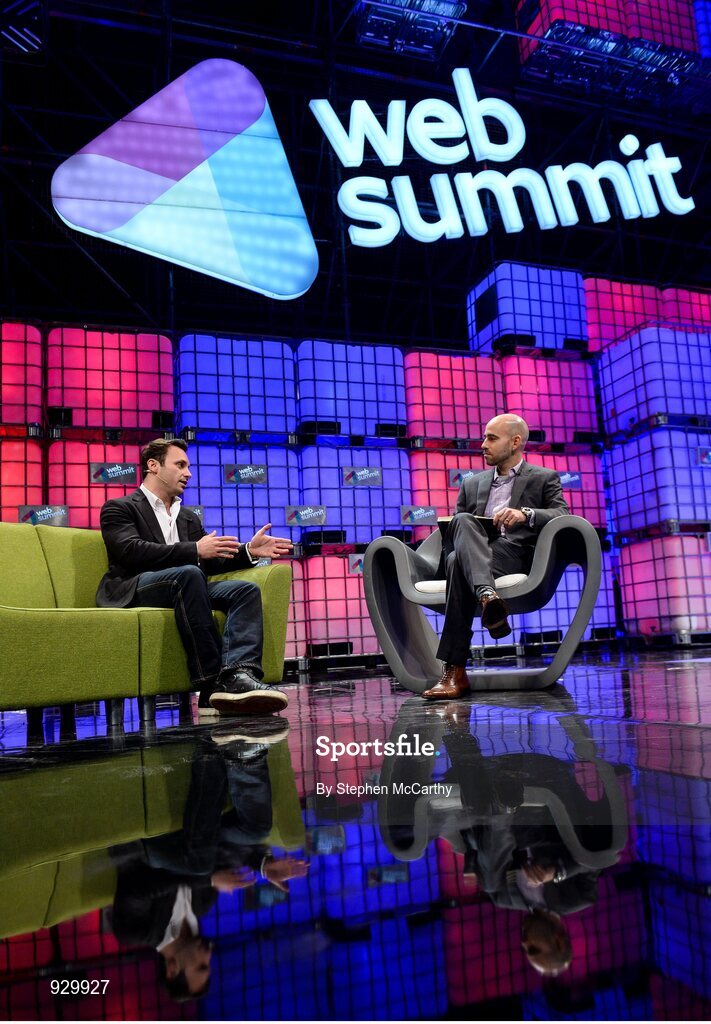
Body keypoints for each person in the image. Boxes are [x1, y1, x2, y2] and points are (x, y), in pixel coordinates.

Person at [96, 438, 293, 715]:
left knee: (244, 590)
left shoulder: (187, 517)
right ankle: (212, 684)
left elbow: (209, 561)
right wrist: (194, 550)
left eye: (188, 466)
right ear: (153, 466)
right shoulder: (120, 508)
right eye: (180, 465)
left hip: (185, 586)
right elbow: (131, 551)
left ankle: (239, 674)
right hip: (136, 586)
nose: (188, 473)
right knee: (188, 573)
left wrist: (249, 550)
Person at [422, 413, 570, 700]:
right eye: (484, 437)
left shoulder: (543, 478)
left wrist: (525, 514)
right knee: (460, 533)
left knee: (457, 563)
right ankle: (488, 596)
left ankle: (454, 672)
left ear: (515, 442)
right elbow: (456, 532)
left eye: (491, 438)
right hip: (473, 554)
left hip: (513, 554)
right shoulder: (471, 483)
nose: (482, 445)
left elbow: (562, 514)